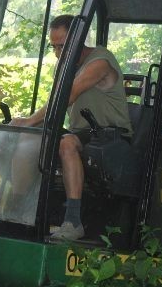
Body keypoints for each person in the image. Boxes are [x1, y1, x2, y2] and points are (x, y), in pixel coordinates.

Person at [10, 14, 133, 240]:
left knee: (66, 144)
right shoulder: (65, 64)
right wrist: (28, 126)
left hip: (111, 137)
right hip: (82, 132)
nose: (58, 53)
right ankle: (16, 210)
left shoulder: (100, 62)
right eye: (54, 47)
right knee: (29, 138)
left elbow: (66, 96)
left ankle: (74, 222)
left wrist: (30, 120)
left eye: (62, 46)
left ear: (78, 39)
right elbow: (55, 100)